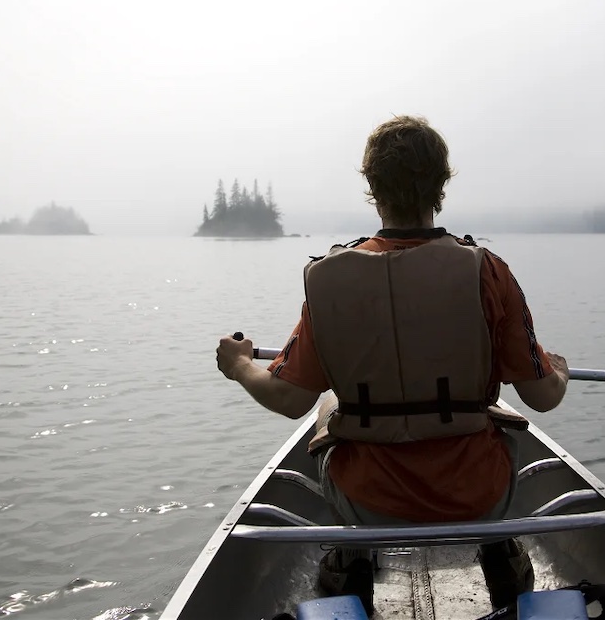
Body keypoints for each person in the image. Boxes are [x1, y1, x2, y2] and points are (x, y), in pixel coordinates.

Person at [215, 115, 569, 616]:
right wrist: (560, 371)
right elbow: (541, 396)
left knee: (332, 401)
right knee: (500, 418)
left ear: (372, 186)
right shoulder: (488, 271)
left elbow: (289, 398)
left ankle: (352, 558)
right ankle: (500, 553)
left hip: (368, 502)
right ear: (441, 186)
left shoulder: (328, 278)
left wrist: (241, 366)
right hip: (479, 497)